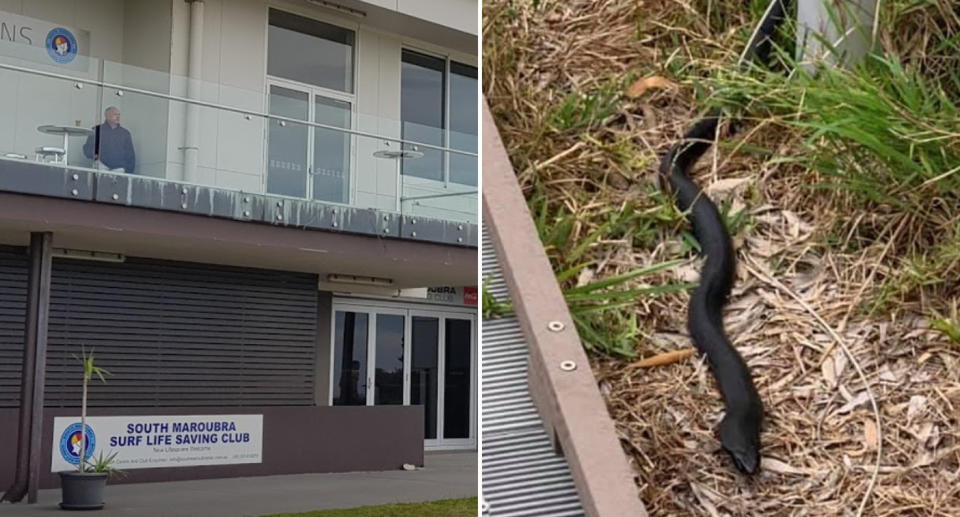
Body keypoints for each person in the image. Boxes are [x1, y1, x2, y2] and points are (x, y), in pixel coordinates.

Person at [83, 106, 136, 173]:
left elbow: (130, 154)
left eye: (119, 115)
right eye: (115, 114)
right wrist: (96, 160)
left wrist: (128, 170)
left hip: (119, 168)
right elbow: (88, 148)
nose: (118, 117)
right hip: (101, 167)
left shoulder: (125, 133)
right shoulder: (97, 130)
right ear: (107, 116)